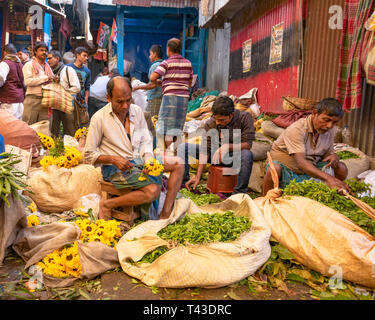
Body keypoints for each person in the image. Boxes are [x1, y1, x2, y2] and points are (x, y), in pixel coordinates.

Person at [83, 76, 185, 220]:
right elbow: (88, 154)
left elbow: (145, 141)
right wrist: (113, 159)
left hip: (139, 160)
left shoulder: (136, 111)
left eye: (128, 100)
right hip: (114, 169)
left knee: (178, 163)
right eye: (119, 101)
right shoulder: (99, 118)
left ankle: (165, 214)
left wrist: (149, 160)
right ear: (108, 98)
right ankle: (107, 204)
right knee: (153, 191)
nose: (125, 106)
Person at [262, 98, 350, 195]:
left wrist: (334, 157)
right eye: (326, 120)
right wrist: (329, 178)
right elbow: (301, 163)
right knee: (274, 169)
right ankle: (265, 200)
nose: (329, 125)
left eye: (334, 122)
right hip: (288, 171)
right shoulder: (297, 129)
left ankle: (334, 193)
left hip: (310, 171)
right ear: (315, 113)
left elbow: (327, 157)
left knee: (341, 168)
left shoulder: (329, 131)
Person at [178, 96, 255, 195]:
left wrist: (227, 147)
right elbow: (205, 150)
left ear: (231, 115)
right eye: (216, 119)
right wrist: (198, 177)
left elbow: (248, 144)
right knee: (182, 147)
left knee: (247, 154)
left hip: (234, 156)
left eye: (222, 120)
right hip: (214, 156)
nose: (218, 122)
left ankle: (238, 193)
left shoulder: (244, 117)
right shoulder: (211, 123)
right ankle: (184, 185)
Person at [149, 38, 193, 153]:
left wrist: (161, 83)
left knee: (165, 128)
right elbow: (189, 83)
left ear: (168, 49)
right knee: (177, 128)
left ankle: (167, 155)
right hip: (183, 99)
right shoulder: (188, 63)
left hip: (170, 99)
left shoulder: (166, 63)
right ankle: (175, 154)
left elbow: (152, 78)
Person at [47, 50, 81, 137]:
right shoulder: (50, 72)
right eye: (47, 59)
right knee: (54, 133)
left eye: (50, 58)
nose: (48, 61)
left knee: (69, 132)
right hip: (55, 107)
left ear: (57, 58)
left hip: (67, 106)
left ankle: (71, 150)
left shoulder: (68, 70)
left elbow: (77, 87)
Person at [22, 41, 54, 125]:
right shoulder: (29, 65)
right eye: (41, 50)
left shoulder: (47, 66)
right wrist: (46, 78)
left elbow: (51, 79)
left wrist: (55, 80)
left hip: (46, 101)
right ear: (35, 51)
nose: (44, 52)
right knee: (29, 126)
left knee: (44, 127)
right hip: (33, 99)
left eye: (46, 50)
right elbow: (27, 81)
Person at [133, 44, 163, 117]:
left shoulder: (155, 66)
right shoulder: (163, 64)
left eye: (150, 54)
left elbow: (152, 85)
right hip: (161, 98)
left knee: (151, 121)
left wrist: (137, 88)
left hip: (155, 99)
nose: (149, 57)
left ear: (155, 54)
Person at [0, 44, 25, 120]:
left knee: (8, 126)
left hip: (8, 101)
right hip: (20, 100)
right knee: (18, 126)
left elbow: (0, 78)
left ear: (5, 53)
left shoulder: (4, 63)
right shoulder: (21, 65)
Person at [67, 47, 91, 126]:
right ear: (77, 55)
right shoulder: (68, 68)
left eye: (87, 56)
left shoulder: (87, 71)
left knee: (82, 123)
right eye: (84, 56)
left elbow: (87, 87)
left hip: (81, 102)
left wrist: (86, 101)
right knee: (69, 123)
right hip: (69, 100)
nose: (86, 58)